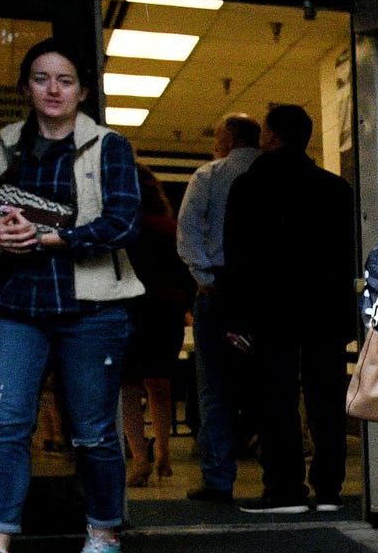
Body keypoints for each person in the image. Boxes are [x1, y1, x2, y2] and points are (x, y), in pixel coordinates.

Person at [0, 38, 147, 553]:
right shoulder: (8, 143)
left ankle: (104, 535)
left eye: (64, 80)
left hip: (91, 307)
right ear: (26, 87)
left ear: (82, 90)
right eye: (41, 78)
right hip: (17, 304)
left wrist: (57, 237)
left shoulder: (110, 147)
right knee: (6, 423)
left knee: (92, 433)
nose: (53, 90)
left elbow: (126, 224)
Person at [219, 104, 358, 514]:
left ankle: (285, 488)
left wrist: (235, 317)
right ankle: (330, 489)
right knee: (326, 399)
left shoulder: (249, 186)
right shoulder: (336, 190)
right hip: (324, 312)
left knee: (275, 399)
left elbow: (237, 256)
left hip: (269, 311)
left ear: (270, 137)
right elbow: (347, 255)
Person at [177, 114, 263, 503]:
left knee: (215, 387)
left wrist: (203, 277)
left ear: (228, 137)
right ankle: (281, 479)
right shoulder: (272, 174)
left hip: (219, 288)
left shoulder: (209, 175)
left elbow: (189, 230)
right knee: (271, 383)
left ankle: (218, 478)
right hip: (265, 291)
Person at [121, 163, 194, 487]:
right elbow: (184, 273)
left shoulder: (123, 227)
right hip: (166, 312)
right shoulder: (169, 227)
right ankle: (163, 451)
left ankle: (140, 459)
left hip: (130, 309)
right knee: (160, 385)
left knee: (128, 388)